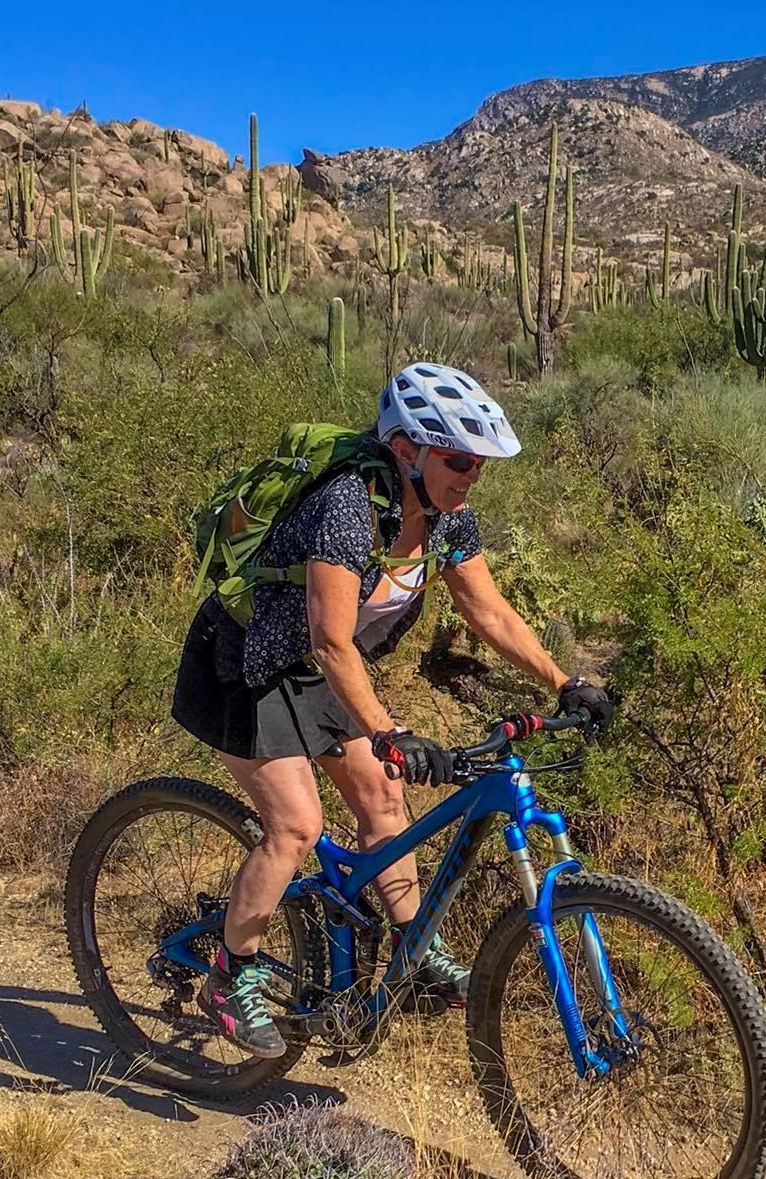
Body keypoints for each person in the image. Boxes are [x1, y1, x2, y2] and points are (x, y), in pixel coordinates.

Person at [170, 361, 614, 1056]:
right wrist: (387, 728)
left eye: (479, 462)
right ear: (407, 449)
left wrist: (563, 679)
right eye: (458, 457)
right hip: (243, 664)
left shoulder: (448, 518)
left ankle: (415, 948)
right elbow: (330, 637)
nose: (471, 474)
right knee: (295, 825)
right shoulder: (349, 507)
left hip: (316, 667)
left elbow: (486, 609)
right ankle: (233, 975)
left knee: (382, 793)